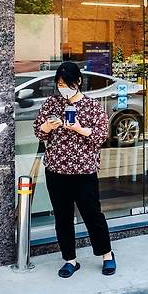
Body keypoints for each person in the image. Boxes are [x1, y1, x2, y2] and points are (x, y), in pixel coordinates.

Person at [34, 61, 116, 278]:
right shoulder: (51, 104)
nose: (64, 88)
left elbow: (101, 136)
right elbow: (38, 132)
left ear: (78, 81)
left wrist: (79, 128)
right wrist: (47, 126)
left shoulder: (92, 106)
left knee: (92, 214)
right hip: (56, 170)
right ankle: (69, 259)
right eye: (60, 84)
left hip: (84, 171)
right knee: (62, 217)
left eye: (68, 84)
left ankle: (107, 254)